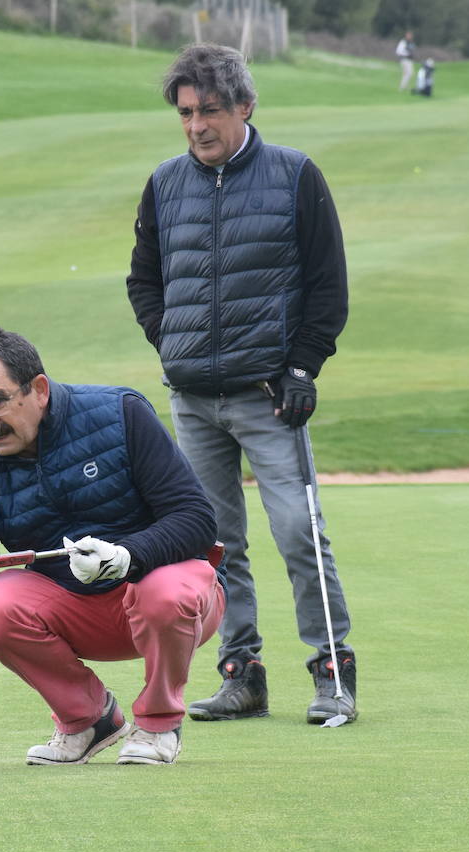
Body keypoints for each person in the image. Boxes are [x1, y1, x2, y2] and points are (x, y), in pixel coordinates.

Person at [126, 43, 357, 726]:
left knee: (297, 532)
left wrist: (302, 368)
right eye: (187, 113)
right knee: (215, 543)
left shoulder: (294, 176)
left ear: (245, 107)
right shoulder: (165, 183)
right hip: (193, 398)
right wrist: (171, 341)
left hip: (268, 396)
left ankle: (332, 676)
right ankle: (242, 675)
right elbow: (144, 280)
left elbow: (328, 288)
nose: (197, 125)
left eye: (211, 111)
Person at [0, 328, 227, 770]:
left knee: (165, 589)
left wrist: (129, 556)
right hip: (82, 615)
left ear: (38, 389)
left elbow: (195, 518)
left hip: (173, 601)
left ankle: (158, 724)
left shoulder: (120, 414)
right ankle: (88, 719)